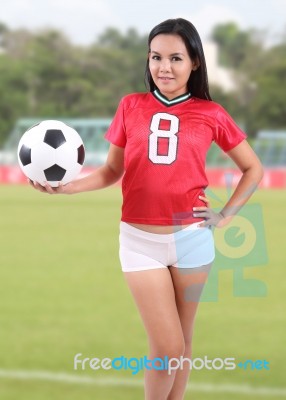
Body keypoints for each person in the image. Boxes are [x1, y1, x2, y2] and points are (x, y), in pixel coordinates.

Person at [31, 18, 263, 400]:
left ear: (195, 63)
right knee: (167, 346)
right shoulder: (130, 106)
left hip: (193, 240)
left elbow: (252, 167)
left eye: (175, 58)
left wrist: (226, 215)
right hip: (140, 242)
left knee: (183, 344)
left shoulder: (212, 113)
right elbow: (111, 170)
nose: (164, 67)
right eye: (156, 57)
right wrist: (66, 188)